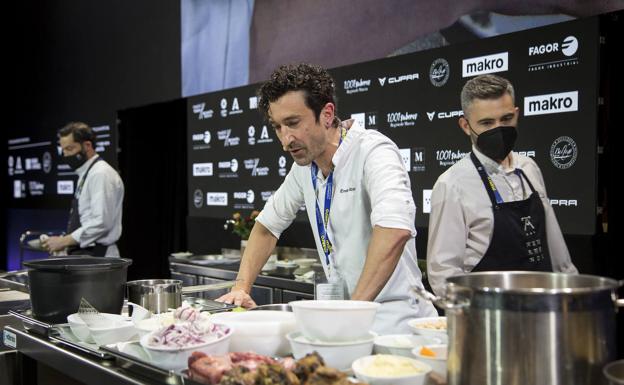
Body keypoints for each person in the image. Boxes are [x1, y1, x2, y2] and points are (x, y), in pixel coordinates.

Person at [217, 63, 437, 334]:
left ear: (327, 113)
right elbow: (266, 227)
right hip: (347, 320)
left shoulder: (374, 151)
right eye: (277, 127)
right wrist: (241, 287)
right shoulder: (303, 169)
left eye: (293, 123)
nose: (286, 140)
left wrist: (353, 311)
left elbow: (395, 230)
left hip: (397, 325)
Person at [426, 74, 578, 296]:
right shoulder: (452, 185)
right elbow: (444, 272)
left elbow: (557, 251)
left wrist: (572, 293)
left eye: (506, 119)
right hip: (489, 316)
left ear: (516, 114)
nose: (499, 128)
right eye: (487, 123)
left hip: (543, 310)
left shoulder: (529, 167)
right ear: (466, 126)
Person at [41, 122, 124, 257]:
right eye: (64, 150)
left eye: (70, 148)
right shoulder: (86, 173)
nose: (66, 155)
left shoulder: (100, 174)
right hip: (85, 255)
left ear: (87, 146)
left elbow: (101, 222)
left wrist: (63, 241)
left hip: (98, 257)